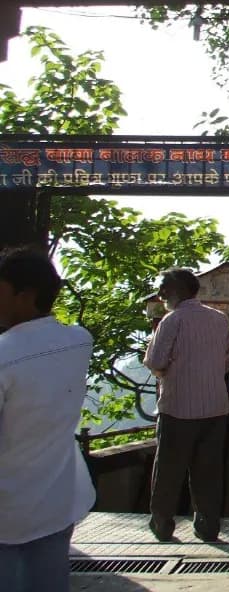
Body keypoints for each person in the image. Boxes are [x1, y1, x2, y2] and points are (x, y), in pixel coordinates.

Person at [0, 246, 95, 592]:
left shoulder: (4, 355)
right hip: (58, 498)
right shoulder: (79, 342)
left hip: (7, 507)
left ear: (26, 295)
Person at [144, 268, 229, 542]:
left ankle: (163, 524)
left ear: (177, 290)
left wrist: (169, 371)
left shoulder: (172, 320)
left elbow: (156, 361)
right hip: (215, 408)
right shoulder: (219, 319)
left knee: (169, 471)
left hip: (178, 408)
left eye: (164, 287)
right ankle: (208, 527)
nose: (161, 293)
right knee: (209, 472)